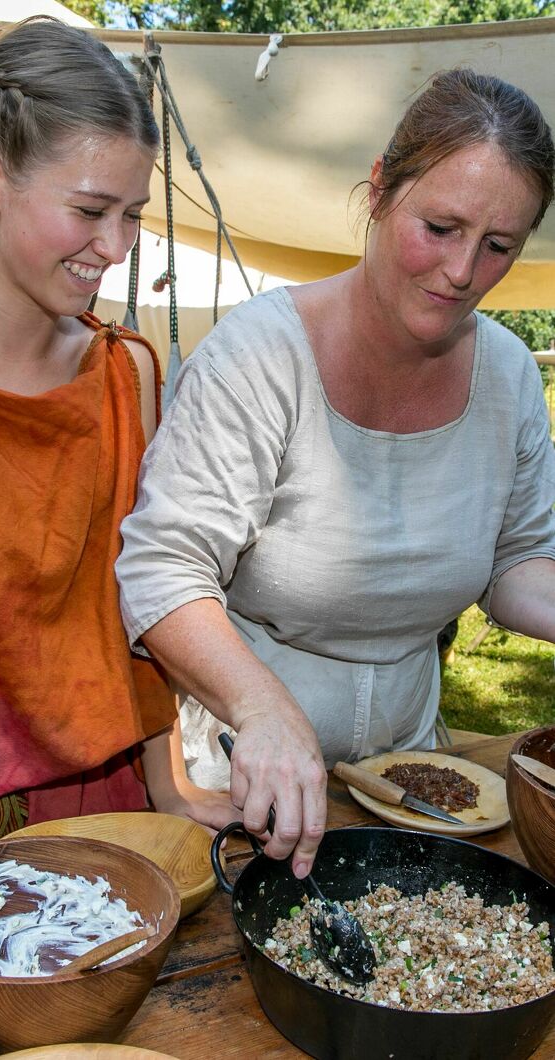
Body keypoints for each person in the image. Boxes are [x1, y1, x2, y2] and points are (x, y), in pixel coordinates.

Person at [116, 69, 555, 879]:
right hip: (241, 768)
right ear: (380, 190)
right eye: (440, 226)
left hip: (415, 773)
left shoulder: (509, 377)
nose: (462, 272)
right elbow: (161, 569)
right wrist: (263, 709)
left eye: (498, 247)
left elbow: (517, 563)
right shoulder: (259, 359)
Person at [0, 16, 237, 840]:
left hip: (105, 799)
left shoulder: (130, 374)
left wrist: (172, 789)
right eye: (91, 209)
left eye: (132, 215)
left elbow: (132, 605)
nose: (117, 246)